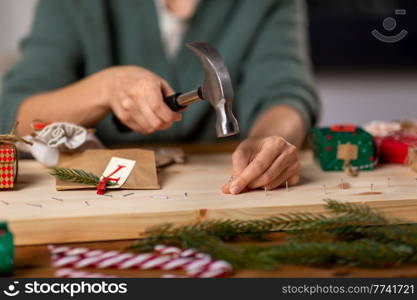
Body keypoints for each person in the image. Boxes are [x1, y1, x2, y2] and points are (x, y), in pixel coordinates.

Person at [0, 0, 319, 194]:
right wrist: (105, 89)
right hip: (99, 195)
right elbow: (13, 116)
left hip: (219, 192)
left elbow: (286, 92)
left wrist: (272, 140)